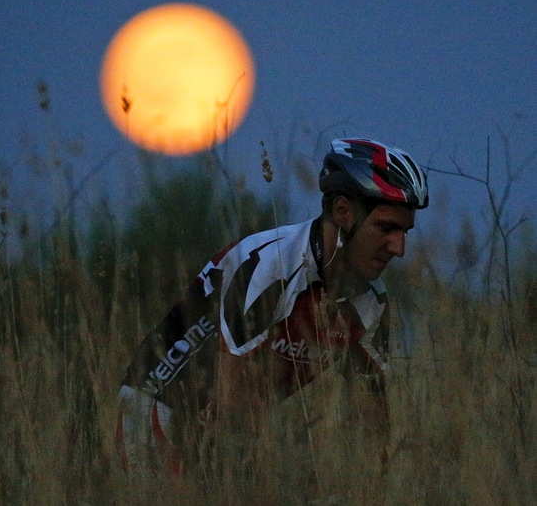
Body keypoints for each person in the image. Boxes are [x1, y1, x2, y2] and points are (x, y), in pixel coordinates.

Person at [116, 137, 429, 475]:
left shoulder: (371, 302)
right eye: (386, 228)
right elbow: (232, 397)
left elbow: (372, 408)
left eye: (405, 232)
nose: (399, 248)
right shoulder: (273, 263)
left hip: (229, 434)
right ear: (342, 212)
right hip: (160, 409)